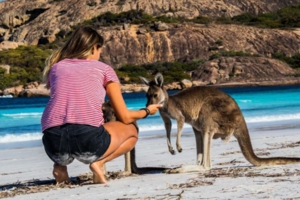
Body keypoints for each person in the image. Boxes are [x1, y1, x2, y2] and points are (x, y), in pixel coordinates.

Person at [41, 26, 162, 184]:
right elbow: (124, 116)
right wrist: (146, 111)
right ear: (93, 48)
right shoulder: (104, 70)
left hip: (52, 143)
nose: (99, 55)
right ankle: (98, 163)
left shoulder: (56, 68)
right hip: (88, 141)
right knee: (132, 130)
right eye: (100, 51)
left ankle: (60, 167)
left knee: (67, 128)